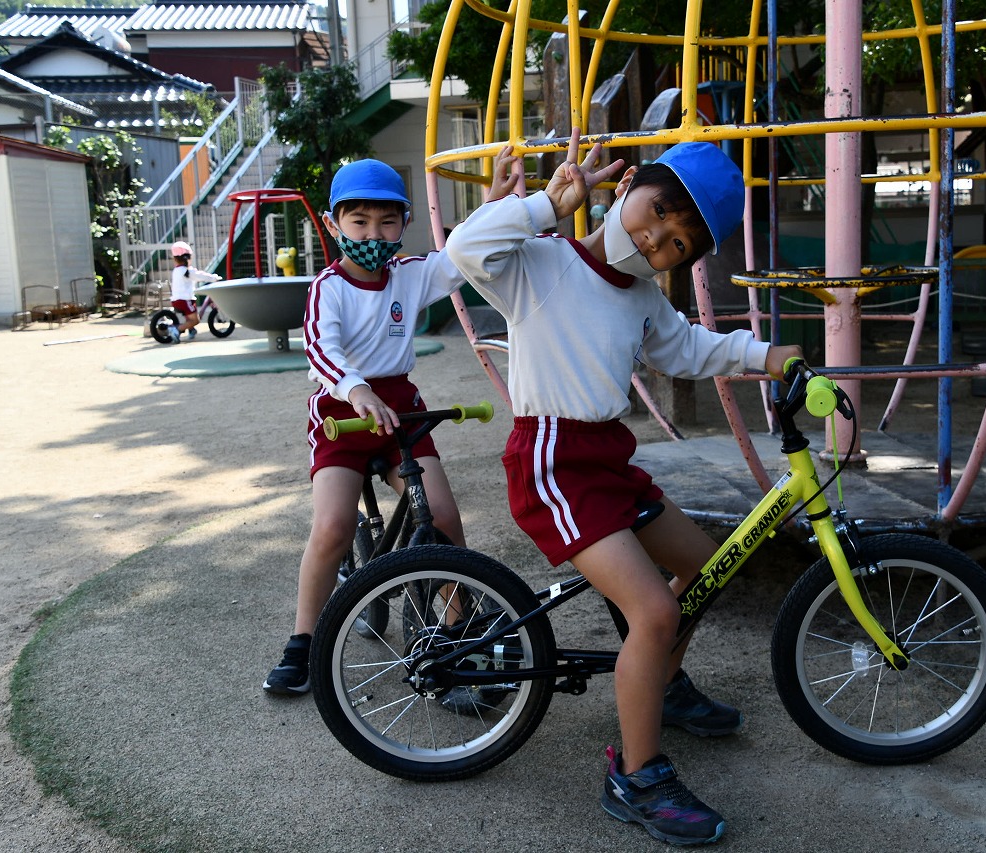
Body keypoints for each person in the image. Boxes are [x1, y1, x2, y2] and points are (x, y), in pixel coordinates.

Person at [445, 130, 802, 846]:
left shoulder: (642, 298)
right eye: (662, 209)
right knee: (654, 609)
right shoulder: (541, 263)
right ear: (630, 183)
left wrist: (768, 354)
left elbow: (690, 347)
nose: (661, 236)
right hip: (552, 461)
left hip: (606, 459)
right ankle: (635, 774)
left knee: (706, 562)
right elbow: (464, 252)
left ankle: (660, 683)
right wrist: (546, 206)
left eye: (682, 241)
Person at [263, 158, 515, 698]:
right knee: (332, 525)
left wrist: (492, 204)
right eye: (359, 222)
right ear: (334, 225)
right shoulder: (328, 288)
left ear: (403, 224)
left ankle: (455, 629)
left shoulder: (409, 274)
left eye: (386, 222)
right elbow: (320, 348)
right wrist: (356, 390)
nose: (373, 235)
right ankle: (303, 641)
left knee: (443, 518)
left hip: (401, 407)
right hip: (342, 412)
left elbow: (459, 257)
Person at [166, 241, 220, 343]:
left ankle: (191, 330)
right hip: (185, 300)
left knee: (189, 315)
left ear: (175, 259)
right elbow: (201, 276)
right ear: (188, 257)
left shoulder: (177, 270)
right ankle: (176, 329)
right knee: (195, 320)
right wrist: (214, 278)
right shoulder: (187, 271)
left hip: (177, 300)